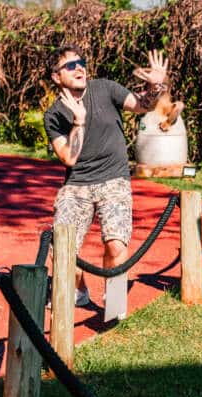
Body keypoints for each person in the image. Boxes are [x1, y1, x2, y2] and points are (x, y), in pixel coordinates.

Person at [43, 44, 170, 306]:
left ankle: (114, 303)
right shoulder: (54, 115)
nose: (79, 67)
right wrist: (78, 121)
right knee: (61, 250)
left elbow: (141, 106)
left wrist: (156, 87)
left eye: (81, 62)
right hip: (77, 184)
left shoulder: (105, 88)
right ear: (56, 76)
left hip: (114, 179)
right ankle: (79, 292)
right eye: (70, 65)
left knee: (115, 244)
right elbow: (68, 158)